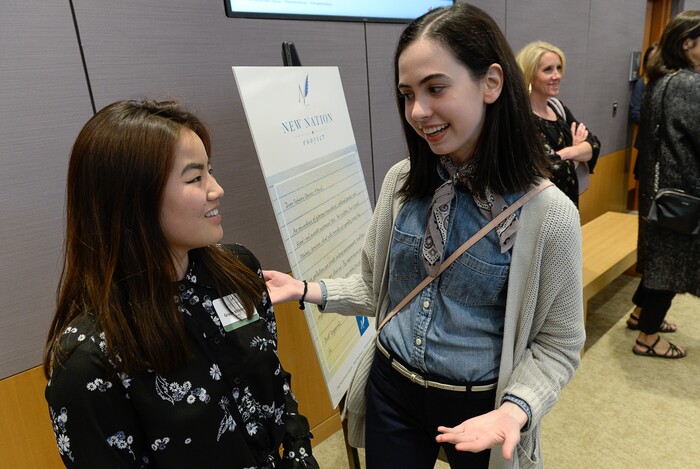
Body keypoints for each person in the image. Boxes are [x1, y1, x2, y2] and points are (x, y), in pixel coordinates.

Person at [264, 4, 585, 468]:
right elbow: (379, 288)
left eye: (436, 88)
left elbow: (559, 343)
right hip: (392, 390)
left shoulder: (547, 213)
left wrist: (516, 411)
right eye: (407, 93)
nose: (417, 111)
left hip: (482, 409)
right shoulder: (402, 182)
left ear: (491, 83)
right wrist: (308, 290)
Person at [43, 99, 319, 468]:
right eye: (195, 178)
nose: (217, 189)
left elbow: (270, 373)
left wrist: (298, 448)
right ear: (133, 199)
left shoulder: (236, 271)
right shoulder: (90, 361)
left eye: (211, 170)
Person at [630, 10, 700, 359]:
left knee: (660, 259)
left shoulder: (662, 79)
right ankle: (647, 338)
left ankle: (640, 313)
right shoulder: (689, 84)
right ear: (688, 44)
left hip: (661, 191)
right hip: (683, 192)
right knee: (669, 267)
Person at [516, 41, 601, 207]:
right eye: (548, 69)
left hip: (568, 205)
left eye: (559, 68)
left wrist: (567, 152)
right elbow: (550, 172)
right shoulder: (522, 118)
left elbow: (594, 144)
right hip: (539, 210)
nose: (557, 76)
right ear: (529, 73)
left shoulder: (557, 107)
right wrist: (575, 153)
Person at [629, 42, 659, 179]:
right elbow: (635, 113)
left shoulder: (667, 84)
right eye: (651, 60)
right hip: (647, 142)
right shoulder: (642, 83)